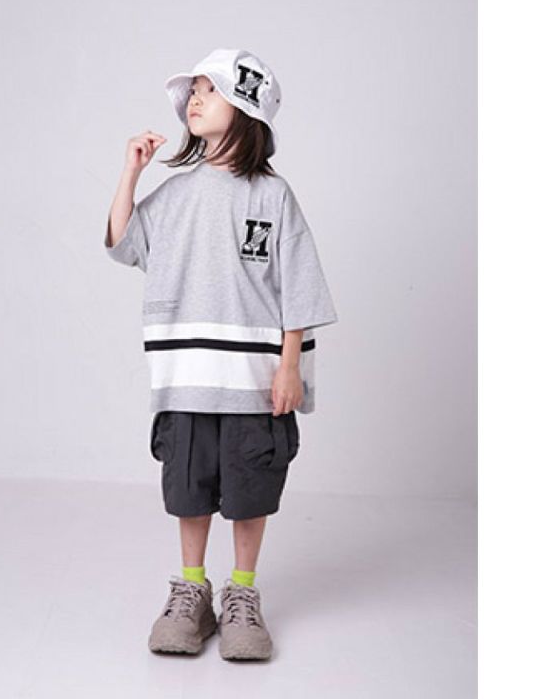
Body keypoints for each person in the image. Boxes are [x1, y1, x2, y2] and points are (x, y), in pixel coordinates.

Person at [104, 49, 338, 660]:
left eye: (210, 90)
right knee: (189, 484)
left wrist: (291, 365)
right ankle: (191, 592)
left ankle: (242, 593)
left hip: (254, 379)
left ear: (245, 108)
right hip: (186, 376)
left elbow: (299, 283)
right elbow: (124, 244)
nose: (195, 99)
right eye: (194, 90)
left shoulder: (274, 197)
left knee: (250, 486)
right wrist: (131, 173)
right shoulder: (176, 194)